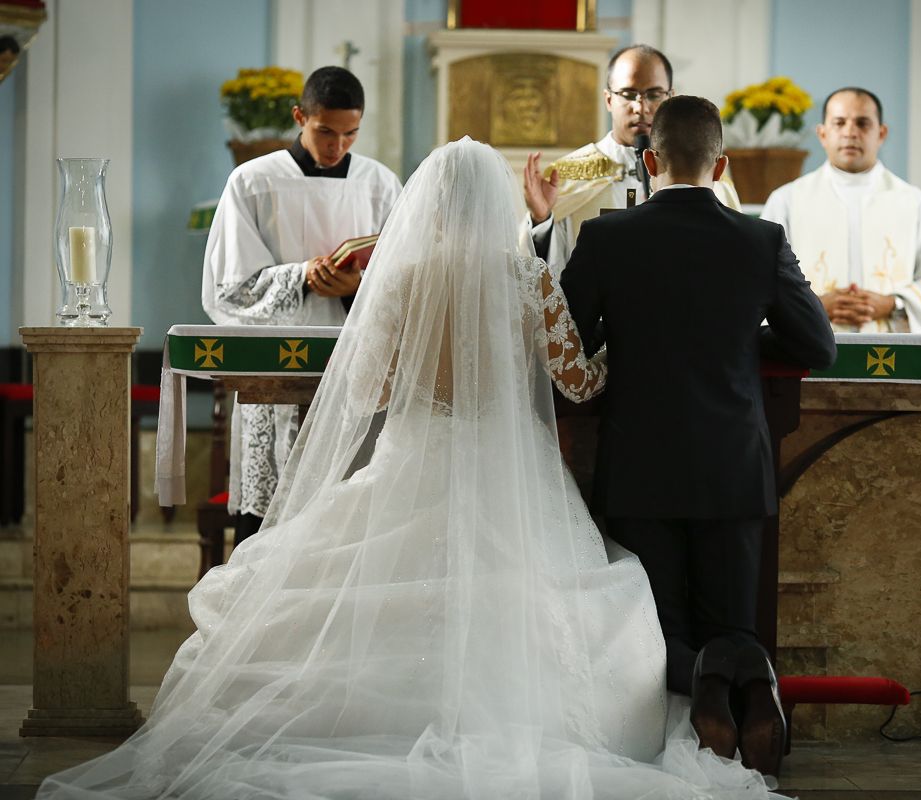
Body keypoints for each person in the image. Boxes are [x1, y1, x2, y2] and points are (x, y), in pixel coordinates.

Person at [38, 138, 784, 800]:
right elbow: (579, 385)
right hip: (512, 476)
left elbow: (364, 391)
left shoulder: (398, 280)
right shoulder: (525, 280)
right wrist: (630, 348)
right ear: (497, 203)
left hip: (413, 459)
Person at [560, 96, 838, 778]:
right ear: (722, 164)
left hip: (641, 463)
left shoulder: (607, 238)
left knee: (656, 632)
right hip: (732, 466)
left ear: (649, 160)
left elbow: (569, 342)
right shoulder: (759, 240)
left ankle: (706, 688)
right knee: (734, 622)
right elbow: (818, 344)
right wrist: (741, 336)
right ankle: (749, 679)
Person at [202, 66, 402, 548]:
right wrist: (303, 277)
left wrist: (355, 285)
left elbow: (404, 281)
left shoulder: (380, 183)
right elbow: (228, 289)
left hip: (355, 359)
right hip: (277, 362)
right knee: (271, 506)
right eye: (325, 132)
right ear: (300, 116)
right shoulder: (252, 181)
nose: (338, 146)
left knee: (347, 506)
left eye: (351, 133)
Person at [761, 87, 921, 333]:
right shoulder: (786, 200)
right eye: (839, 123)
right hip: (808, 356)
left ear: (881, 133)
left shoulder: (914, 203)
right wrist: (812, 305)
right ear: (823, 134)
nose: (850, 132)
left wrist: (893, 304)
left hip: (890, 360)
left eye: (863, 123)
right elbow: (759, 281)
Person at [523, 44, 740, 277]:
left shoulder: (704, 173)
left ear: (671, 98)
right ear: (608, 99)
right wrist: (541, 220)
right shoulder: (567, 177)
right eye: (628, 94)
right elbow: (545, 278)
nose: (640, 107)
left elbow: (731, 260)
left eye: (654, 95)